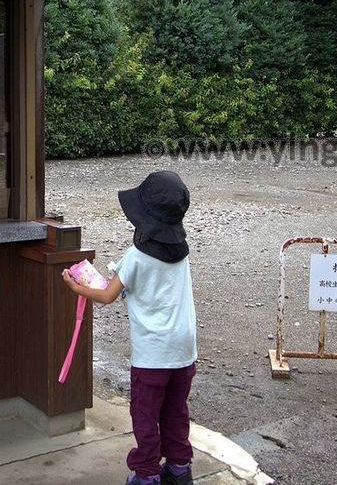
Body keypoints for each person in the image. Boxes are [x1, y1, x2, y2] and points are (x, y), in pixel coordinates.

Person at [62, 170, 198, 485]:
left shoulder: (137, 256)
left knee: (146, 415)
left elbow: (108, 295)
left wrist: (75, 286)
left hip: (153, 355)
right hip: (183, 348)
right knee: (176, 411)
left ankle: (146, 474)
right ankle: (179, 470)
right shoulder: (182, 251)